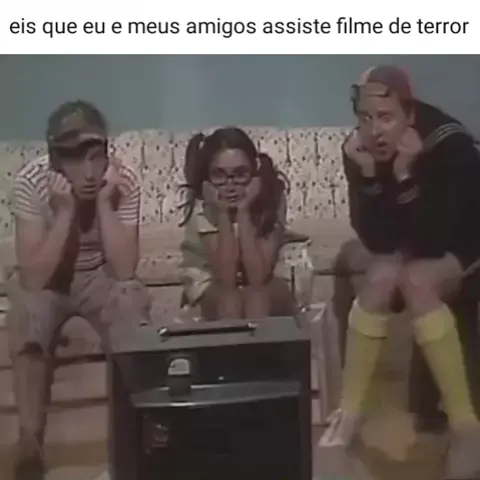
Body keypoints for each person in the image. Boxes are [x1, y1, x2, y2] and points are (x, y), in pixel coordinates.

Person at [318, 66, 480, 479]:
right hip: (415, 241)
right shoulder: (358, 149)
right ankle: (348, 417)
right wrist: (371, 176)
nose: (374, 130)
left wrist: (406, 174)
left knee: (417, 280)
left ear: (410, 114)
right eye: (365, 117)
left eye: (386, 117)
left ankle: (465, 428)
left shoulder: (450, 144)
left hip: (465, 240)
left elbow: (437, 239)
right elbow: (377, 238)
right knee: (378, 279)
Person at [7, 100, 150, 480]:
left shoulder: (123, 181)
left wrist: (103, 204)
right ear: (56, 159)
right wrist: (66, 212)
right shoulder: (30, 182)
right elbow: (33, 278)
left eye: (95, 156)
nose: (88, 172)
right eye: (74, 158)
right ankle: (29, 442)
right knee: (26, 311)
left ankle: (135, 435)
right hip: (50, 279)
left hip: (99, 275)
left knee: (132, 300)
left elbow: (125, 270)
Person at [179, 127, 295, 320]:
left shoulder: (272, 195)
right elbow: (226, 277)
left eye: (240, 174)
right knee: (229, 302)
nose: (230, 185)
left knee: (257, 299)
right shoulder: (203, 202)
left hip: (267, 279)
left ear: (254, 171)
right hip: (210, 281)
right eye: (219, 175)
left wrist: (244, 210)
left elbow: (259, 275)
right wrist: (222, 212)